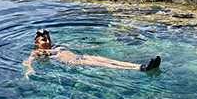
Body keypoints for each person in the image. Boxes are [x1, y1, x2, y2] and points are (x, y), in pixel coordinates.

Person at [23, 29, 161, 77]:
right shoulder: (39, 52)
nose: (46, 39)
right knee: (107, 65)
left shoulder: (57, 46)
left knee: (109, 60)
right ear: (37, 42)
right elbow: (28, 61)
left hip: (82, 56)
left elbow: (76, 45)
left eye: (48, 37)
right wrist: (29, 70)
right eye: (43, 39)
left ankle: (140, 66)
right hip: (76, 62)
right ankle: (141, 69)